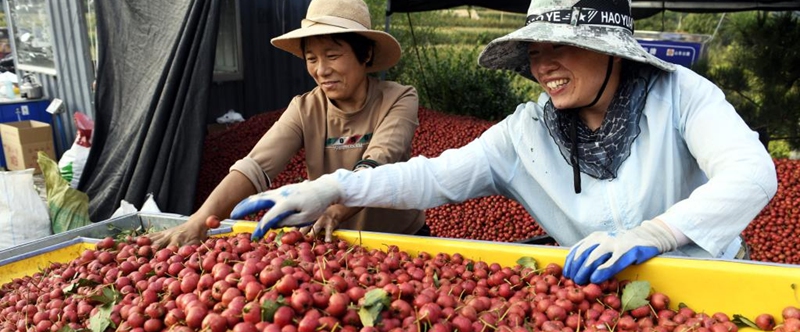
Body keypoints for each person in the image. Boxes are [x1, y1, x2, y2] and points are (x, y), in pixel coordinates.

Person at [229, 0, 777, 286]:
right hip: (594, 296)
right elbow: (433, 176)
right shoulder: (527, 131)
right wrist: (330, 187)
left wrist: (655, 233)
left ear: (613, 50)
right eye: (534, 51)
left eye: (561, 46)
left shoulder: (681, 94)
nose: (543, 66)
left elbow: (752, 173)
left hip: (713, 284)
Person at [149, 0, 426, 248]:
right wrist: (200, 220)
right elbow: (255, 166)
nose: (321, 70)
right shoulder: (304, 108)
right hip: (335, 241)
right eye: (311, 59)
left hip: (400, 242)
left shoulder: (398, 98)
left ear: (364, 55)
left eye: (332, 56)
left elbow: (378, 161)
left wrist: (335, 210)